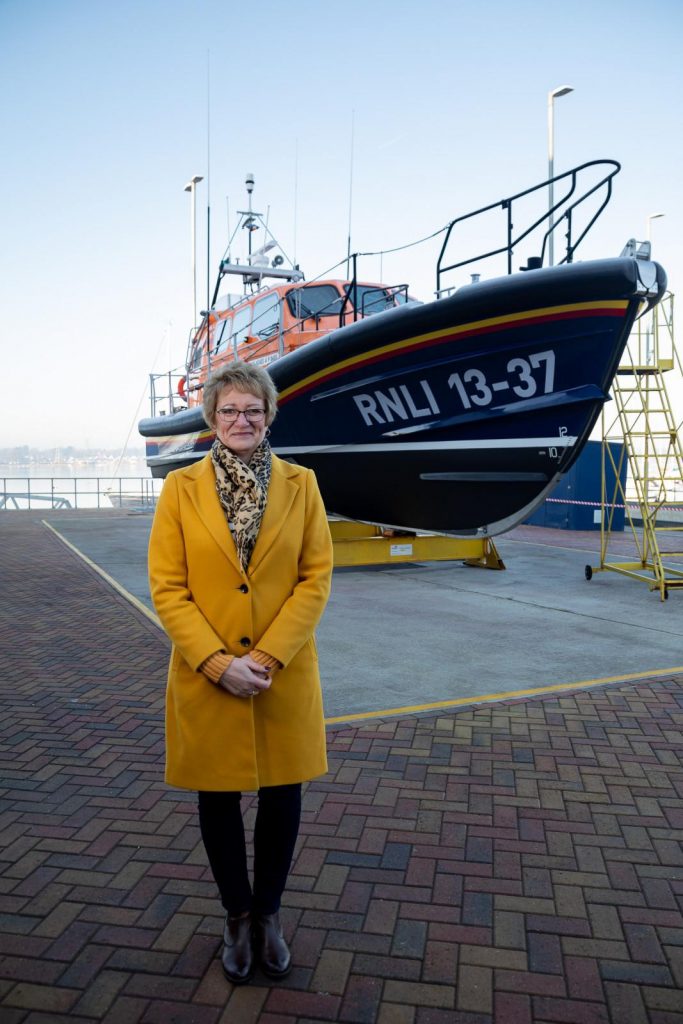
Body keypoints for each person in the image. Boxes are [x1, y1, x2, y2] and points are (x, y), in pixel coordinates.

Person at [148, 361, 333, 985]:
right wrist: (216, 661)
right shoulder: (181, 489)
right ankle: (235, 915)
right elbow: (168, 587)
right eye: (229, 410)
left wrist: (270, 654)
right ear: (211, 417)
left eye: (253, 409)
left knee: (283, 795)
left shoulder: (302, 485)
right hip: (209, 674)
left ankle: (269, 917)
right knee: (218, 797)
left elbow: (315, 578)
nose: (241, 420)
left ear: (269, 414)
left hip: (282, 672)